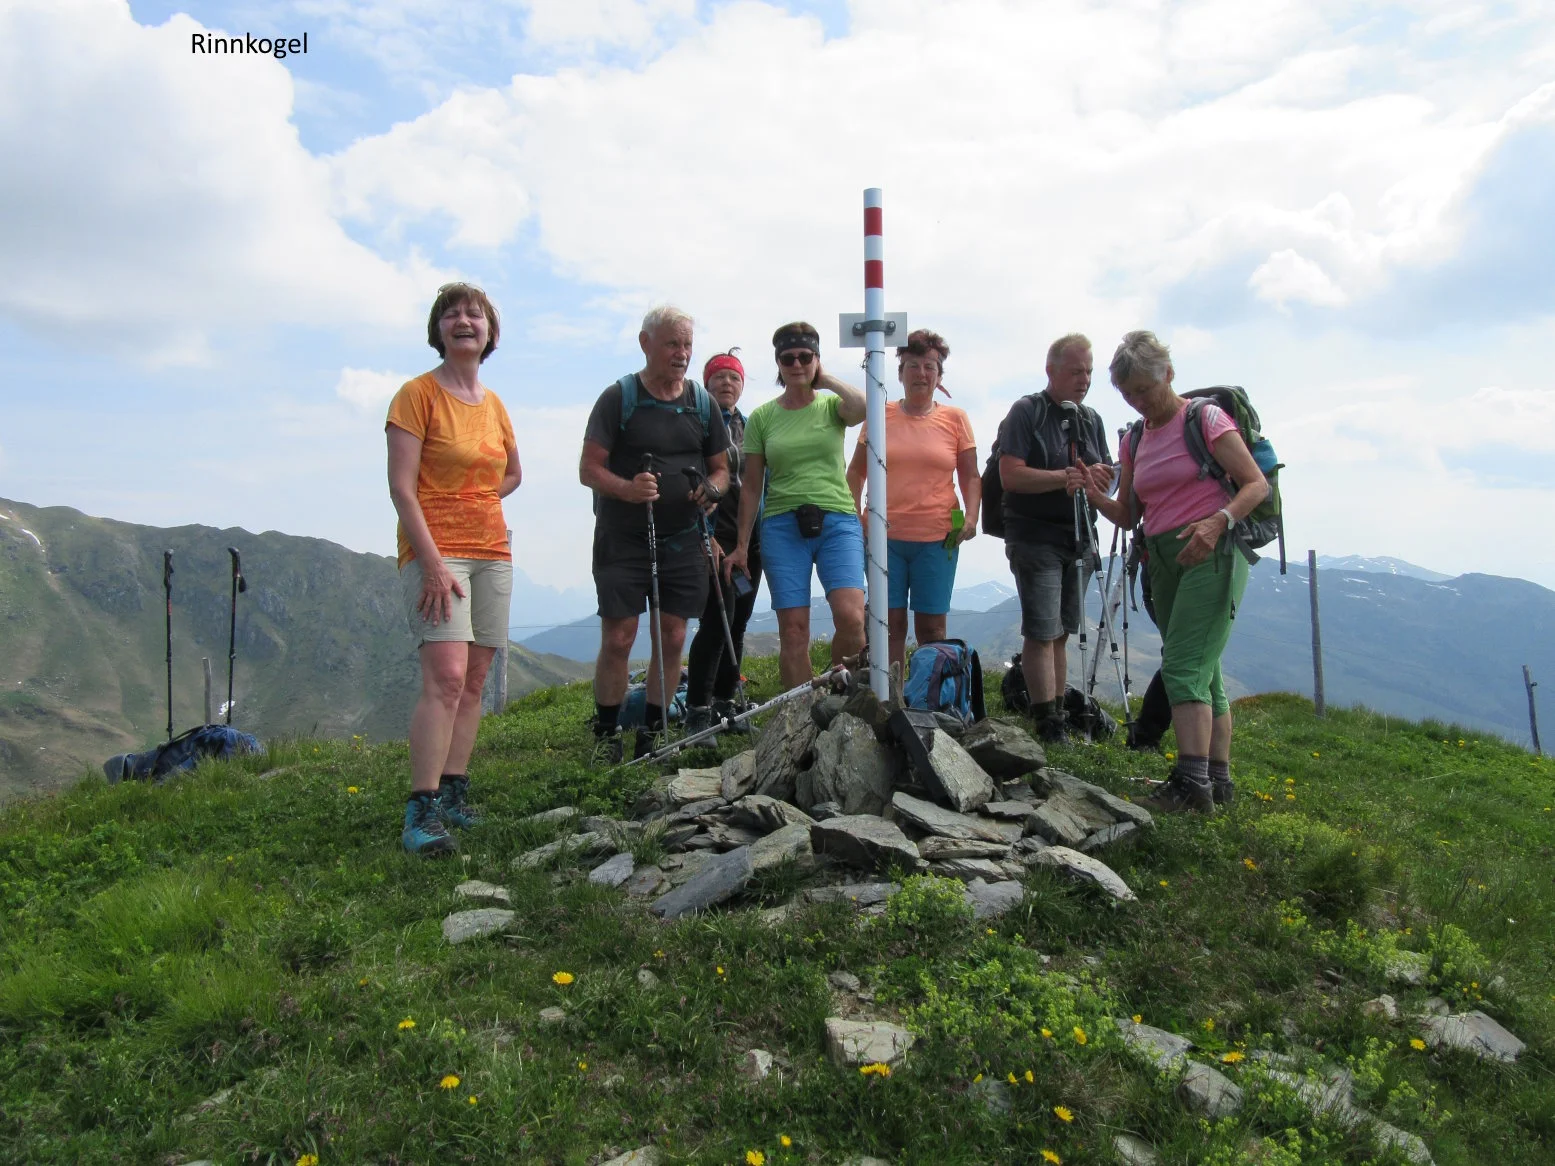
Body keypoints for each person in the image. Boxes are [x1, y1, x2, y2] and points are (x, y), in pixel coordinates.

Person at [1085, 331, 1269, 812]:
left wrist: (1218, 521)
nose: (1139, 401)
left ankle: (1191, 785)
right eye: (1129, 394)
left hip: (1213, 550)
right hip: (1162, 558)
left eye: (1144, 389)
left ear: (1168, 374)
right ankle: (1218, 781)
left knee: (1183, 667)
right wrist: (1094, 495)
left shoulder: (1205, 419)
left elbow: (1255, 485)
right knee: (1206, 673)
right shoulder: (1135, 438)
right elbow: (1129, 514)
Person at [386, 282, 520, 855]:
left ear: (489, 332)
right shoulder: (416, 395)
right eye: (452, 314)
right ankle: (420, 808)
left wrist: (477, 498)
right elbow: (401, 487)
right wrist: (434, 563)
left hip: (492, 552)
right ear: (437, 330)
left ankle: (452, 793)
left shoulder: (494, 405)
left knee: (474, 681)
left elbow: (513, 473)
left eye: (475, 314)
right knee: (444, 677)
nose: (465, 321)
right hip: (437, 553)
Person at [580, 306, 729, 762]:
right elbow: (589, 469)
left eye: (687, 345)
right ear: (646, 344)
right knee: (619, 637)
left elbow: (722, 469)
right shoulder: (619, 398)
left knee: (673, 636)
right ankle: (607, 735)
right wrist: (628, 489)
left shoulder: (701, 403)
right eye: (672, 344)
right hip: (623, 538)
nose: (682, 353)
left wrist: (711, 490)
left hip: (683, 539)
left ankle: (654, 731)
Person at [725, 322, 866, 688]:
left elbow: (863, 408)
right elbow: (751, 485)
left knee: (852, 619)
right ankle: (801, 713)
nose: (797, 364)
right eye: (787, 358)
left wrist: (826, 379)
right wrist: (741, 546)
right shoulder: (762, 418)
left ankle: (839, 697)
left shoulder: (832, 406)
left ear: (817, 359)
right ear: (778, 363)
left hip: (838, 520)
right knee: (793, 630)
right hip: (782, 526)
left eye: (805, 356)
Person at [996, 333, 1114, 742]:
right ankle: (1047, 721)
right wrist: (1065, 477)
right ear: (1052, 371)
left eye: (1089, 372)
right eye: (1076, 371)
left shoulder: (1091, 420)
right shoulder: (1027, 411)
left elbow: (1104, 476)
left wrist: (1102, 479)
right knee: (1042, 631)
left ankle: (1056, 713)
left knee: (1062, 631)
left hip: (1080, 537)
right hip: (1035, 536)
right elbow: (1010, 475)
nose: (1085, 380)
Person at [845, 328, 979, 668]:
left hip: (939, 538)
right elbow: (856, 472)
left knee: (932, 628)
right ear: (900, 372)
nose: (922, 373)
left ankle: (927, 693)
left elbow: (970, 475)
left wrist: (971, 518)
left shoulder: (956, 419)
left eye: (930, 366)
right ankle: (890, 694)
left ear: (939, 375)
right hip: (883, 537)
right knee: (889, 625)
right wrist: (856, 516)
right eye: (913, 365)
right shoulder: (879, 415)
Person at [683, 350, 760, 732]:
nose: (727, 383)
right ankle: (698, 708)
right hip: (716, 532)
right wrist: (706, 535)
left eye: (734, 378)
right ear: (706, 383)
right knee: (719, 619)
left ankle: (725, 703)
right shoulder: (698, 424)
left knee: (739, 620)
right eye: (719, 377)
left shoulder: (752, 425)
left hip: (751, 533)